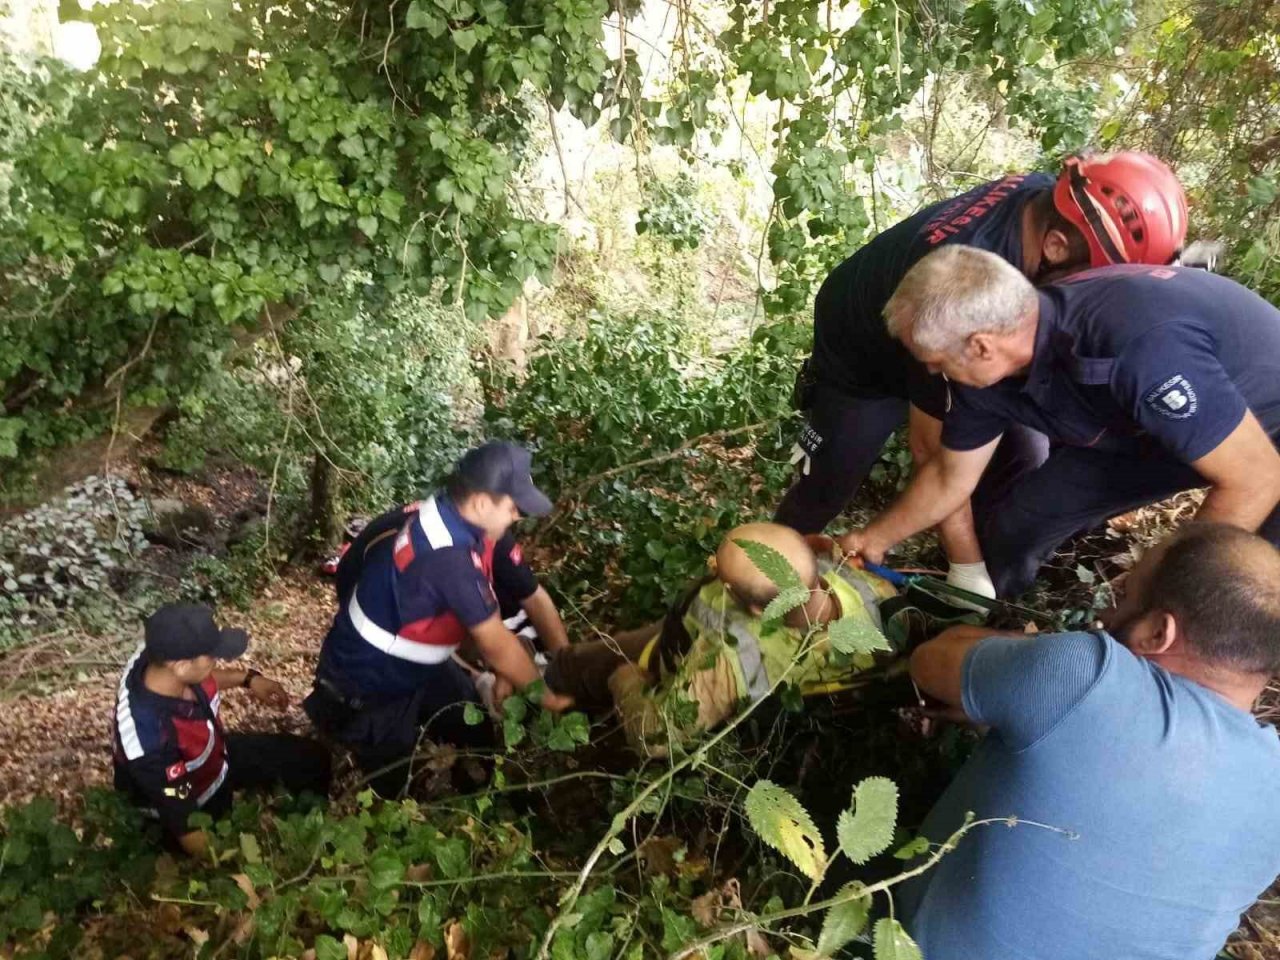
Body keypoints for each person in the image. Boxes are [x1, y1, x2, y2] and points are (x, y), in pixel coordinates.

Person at [777, 152, 1188, 599]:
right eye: (1097, 275)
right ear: (1054, 246)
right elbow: (933, 451)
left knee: (1025, 458)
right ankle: (761, 574)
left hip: (943, 328)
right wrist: (965, 564)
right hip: (865, 351)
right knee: (826, 487)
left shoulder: (1050, 207)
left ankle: (990, 582)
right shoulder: (962, 305)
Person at [900, 523, 1280, 959]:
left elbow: (928, 663)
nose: (1113, 607)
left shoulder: (1088, 678)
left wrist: (1031, 664)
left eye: (1127, 596)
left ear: (1159, 633)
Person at [839, 246, 1280, 596]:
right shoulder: (985, 374)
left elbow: (1255, 478)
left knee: (1243, 592)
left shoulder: (1135, 346)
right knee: (1021, 523)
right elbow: (950, 477)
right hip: (1138, 430)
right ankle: (998, 610)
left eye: (936, 363)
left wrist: (1161, 592)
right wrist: (875, 537)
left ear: (980, 346)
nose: (935, 375)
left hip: (1262, 434)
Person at [545, 523, 971, 756]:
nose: (713, 570)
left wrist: (625, 680)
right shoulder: (866, 588)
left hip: (670, 658)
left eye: (721, 576)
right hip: (686, 632)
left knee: (583, 664)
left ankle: (545, 687)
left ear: (754, 610)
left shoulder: (734, 655)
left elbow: (658, 737)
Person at [303, 441, 573, 796]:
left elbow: (469, 625)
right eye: (512, 508)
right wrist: (547, 698)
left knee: (471, 724)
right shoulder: (448, 555)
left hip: (419, 665)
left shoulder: (450, 515)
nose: (517, 517)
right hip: (368, 682)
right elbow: (495, 642)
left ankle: (475, 787)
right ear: (480, 502)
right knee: (392, 781)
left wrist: (501, 672)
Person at [112, 603, 331, 857]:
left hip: (216, 756)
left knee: (312, 759)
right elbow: (188, 827)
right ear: (181, 666)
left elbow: (202, 674)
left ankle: (311, 832)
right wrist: (234, 868)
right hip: (185, 797)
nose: (216, 660)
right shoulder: (149, 744)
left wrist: (247, 679)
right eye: (211, 656)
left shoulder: (155, 655)